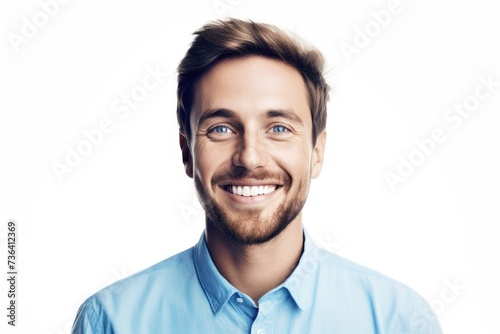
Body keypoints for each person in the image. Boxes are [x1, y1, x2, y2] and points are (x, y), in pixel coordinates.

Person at [71, 18, 442, 333]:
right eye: (221, 128)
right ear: (187, 152)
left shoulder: (399, 321)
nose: (249, 157)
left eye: (278, 128)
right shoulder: (110, 321)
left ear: (317, 153)